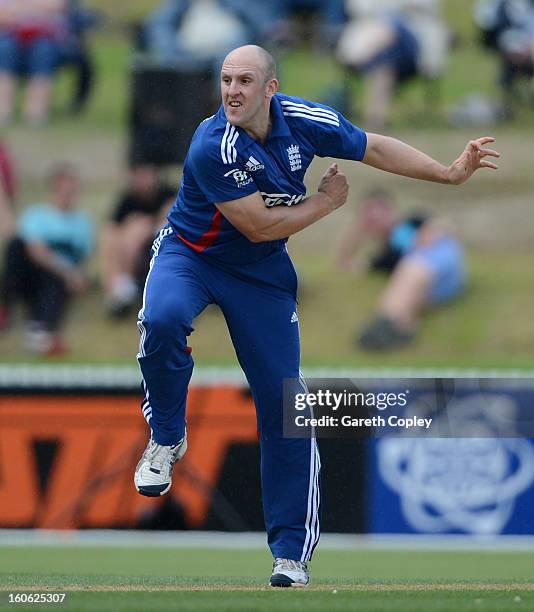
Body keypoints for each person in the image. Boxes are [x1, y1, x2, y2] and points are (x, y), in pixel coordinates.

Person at [133, 45, 499, 587]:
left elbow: (373, 147)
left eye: (245, 80)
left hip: (260, 275)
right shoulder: (213, 144)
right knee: (162, 320)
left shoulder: (306, 121)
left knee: (285, 404)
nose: (232, 90)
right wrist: (325, 205)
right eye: (226, 79)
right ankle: (166, 437)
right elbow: (257, 225)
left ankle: (290, 556)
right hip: (192, 256)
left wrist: (447, 173)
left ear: (271, 88)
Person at [338, 189, 466, 350]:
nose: (372, 219)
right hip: (430, 282)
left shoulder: (411, 222)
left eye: (376, 212)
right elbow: (346, 264)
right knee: (407, 278)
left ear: (389, 210)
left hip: (441, 259)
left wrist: (431, 232)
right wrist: (356, 232)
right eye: (366, 216)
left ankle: (389, 325)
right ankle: (394, 326)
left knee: (411, 270)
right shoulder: (384, 257)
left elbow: (445, 225)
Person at [0, 164, 93, 355]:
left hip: (58, 280)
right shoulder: (36, 215)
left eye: (71, 190)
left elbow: (82, 259)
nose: (67, 195)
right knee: (16, 245)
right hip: (34, 273)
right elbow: (34, 250)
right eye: (63, 190)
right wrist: (66, 271)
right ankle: (6, 305)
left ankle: (41, 335)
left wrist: (77, 276)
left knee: (54, 280)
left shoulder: (82, 222)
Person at [337, 0, 449, 130]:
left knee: (392, 26)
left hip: (412, 46)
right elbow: (358, 7)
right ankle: (376, 120)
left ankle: (361, 56)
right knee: (384, 65)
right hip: (383, 51)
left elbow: (425, 6)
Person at [100, 163, 175, 317]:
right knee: (111, 235)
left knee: (136, 231)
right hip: (130, 245)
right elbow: (113, 226)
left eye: (146, 174)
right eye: (138, 175)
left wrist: (147, 223)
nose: (142, 180)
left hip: (159, 246)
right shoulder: (128, 199)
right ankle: (116, 287)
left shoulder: (168, 194)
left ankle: (124, 286)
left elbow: (170, 216)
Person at [0, 0, 69, 125]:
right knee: (5, 48)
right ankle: (3, 109)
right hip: (11, 35)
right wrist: (35, 8)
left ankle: (35, 111)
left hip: (46, 38)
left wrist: (19, 8)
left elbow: (56, 7)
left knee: (43, 51)